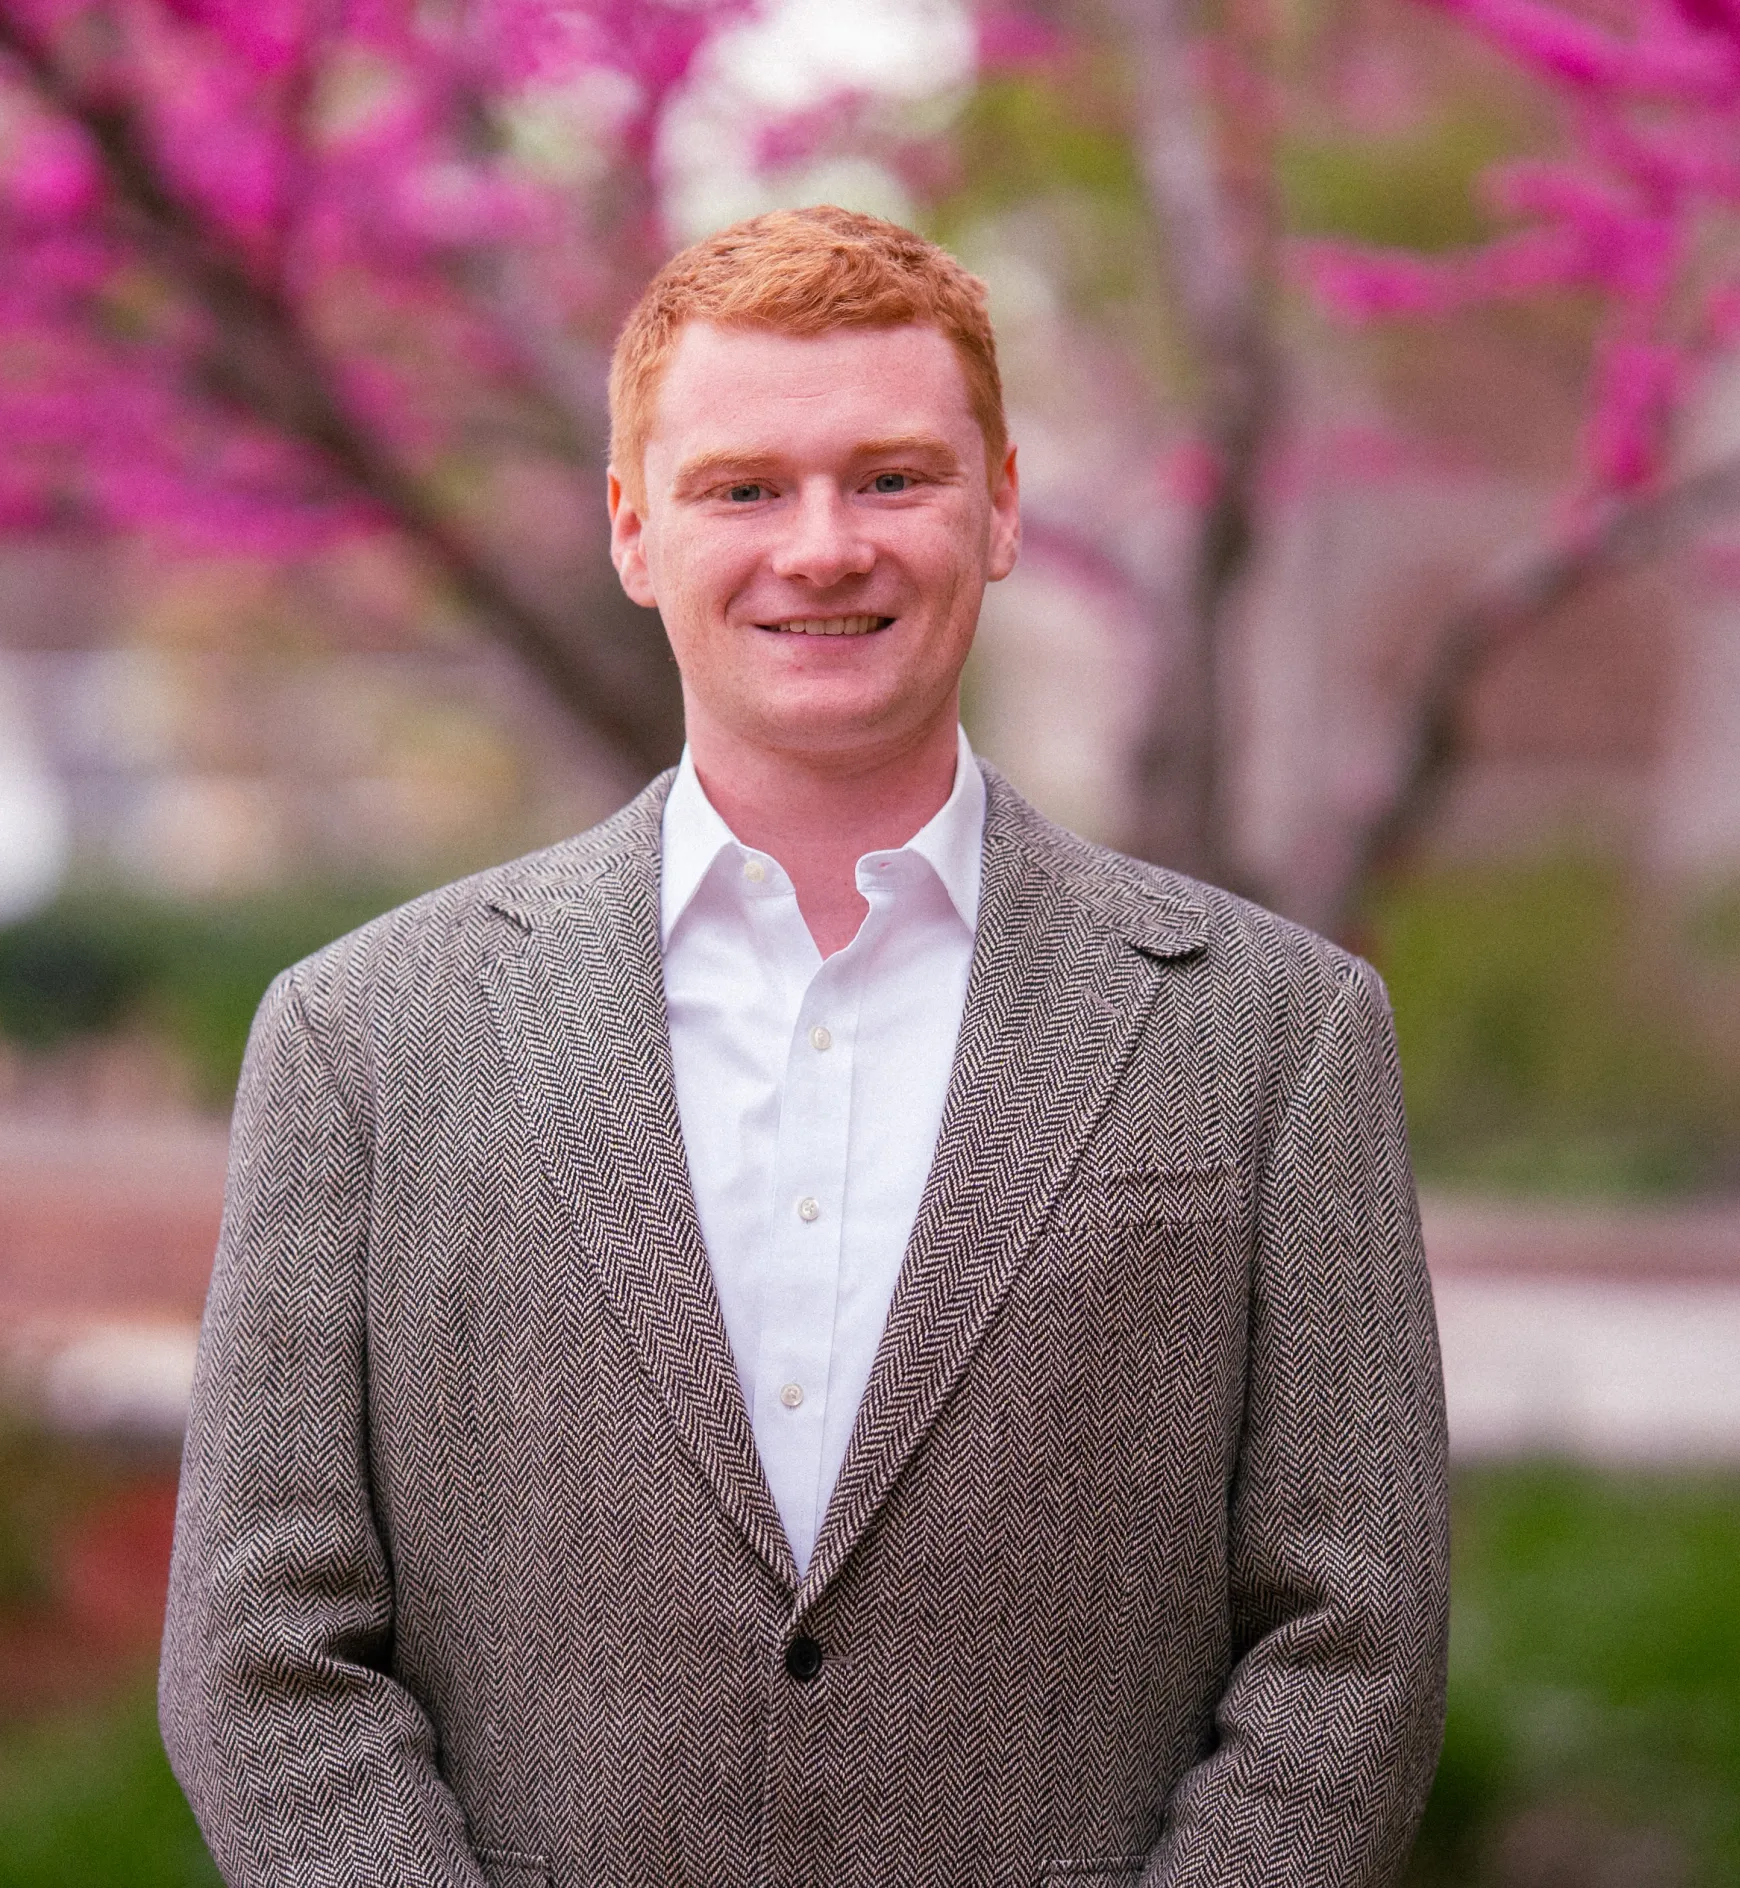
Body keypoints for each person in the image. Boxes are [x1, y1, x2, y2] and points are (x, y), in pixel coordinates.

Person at [161, 205, 1448, 1888]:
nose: (824, 547)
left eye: (894, 478)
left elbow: (1358, 1636)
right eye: (744, 487)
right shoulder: (363, 1041)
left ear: (1000, 510)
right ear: (635, 529)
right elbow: (261, 1655)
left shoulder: (1278, 1033)